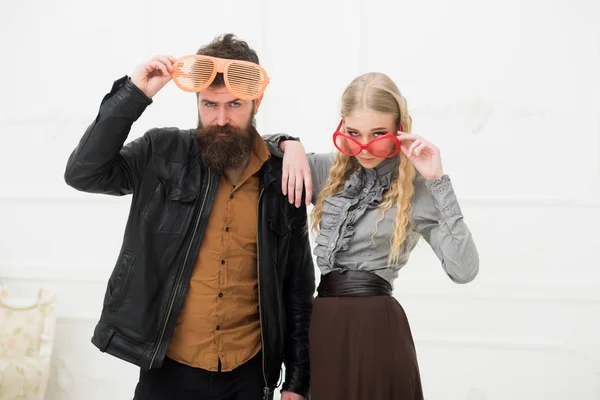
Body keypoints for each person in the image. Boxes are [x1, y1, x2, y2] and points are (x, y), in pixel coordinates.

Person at [64, 33, 314, 400]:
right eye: (210, 105)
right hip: (167, 370)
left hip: (248, 375)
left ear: (256, 102)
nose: (221, 118)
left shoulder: (282, 177)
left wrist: (297, 382)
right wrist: (135, 93)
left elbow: (297, 287)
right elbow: (84, 173)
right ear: (197, 100)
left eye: (235, 105)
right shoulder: (163, 152)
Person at [264, 72, 479, 399]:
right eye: (353, 133)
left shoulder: (416, 186)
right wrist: (288, 144)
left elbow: (463, 270)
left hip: (378, 328)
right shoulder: (327, 170)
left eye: (379, 134)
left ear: (399, 129)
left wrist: (437, 180)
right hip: (323, 326)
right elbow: (255, 154)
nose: (364, 147)